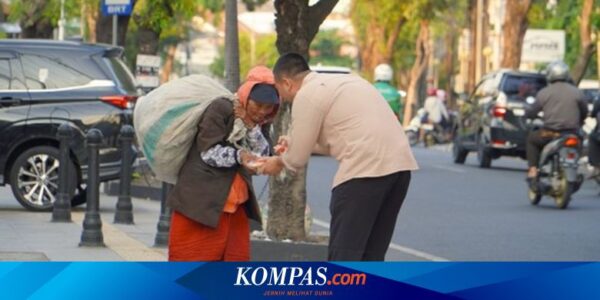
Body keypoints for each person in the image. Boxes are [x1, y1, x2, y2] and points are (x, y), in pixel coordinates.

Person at [259, 53, 418, 261]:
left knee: (344, 256)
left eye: (279, 91)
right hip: (399, 170)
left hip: (364, 173)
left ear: (287, 83)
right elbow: (343, 137)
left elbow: (296, 160)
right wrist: (294, 142)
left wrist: (276, 162)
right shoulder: (348, 81)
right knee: (372, 255)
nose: (282, 98)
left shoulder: (307, 95)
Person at [167, 66, 279, 261]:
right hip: (201, 207)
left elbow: (262, 155)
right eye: (258, 105)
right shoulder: (221, 108)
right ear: (245, 96)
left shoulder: (261, 122)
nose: (262, 111)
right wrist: (239, 155)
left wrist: (251, 125)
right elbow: (208, 152)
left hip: (234, 211)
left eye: (268, 107)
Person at [525, 61, 588, 188]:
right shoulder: (577, 92)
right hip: (573, 133)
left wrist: (530, 115)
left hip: (550, 132)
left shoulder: (544, 93)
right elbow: (584, 112)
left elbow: (532, 111)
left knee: (531, 140)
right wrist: (579, 122)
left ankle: (533, 170)